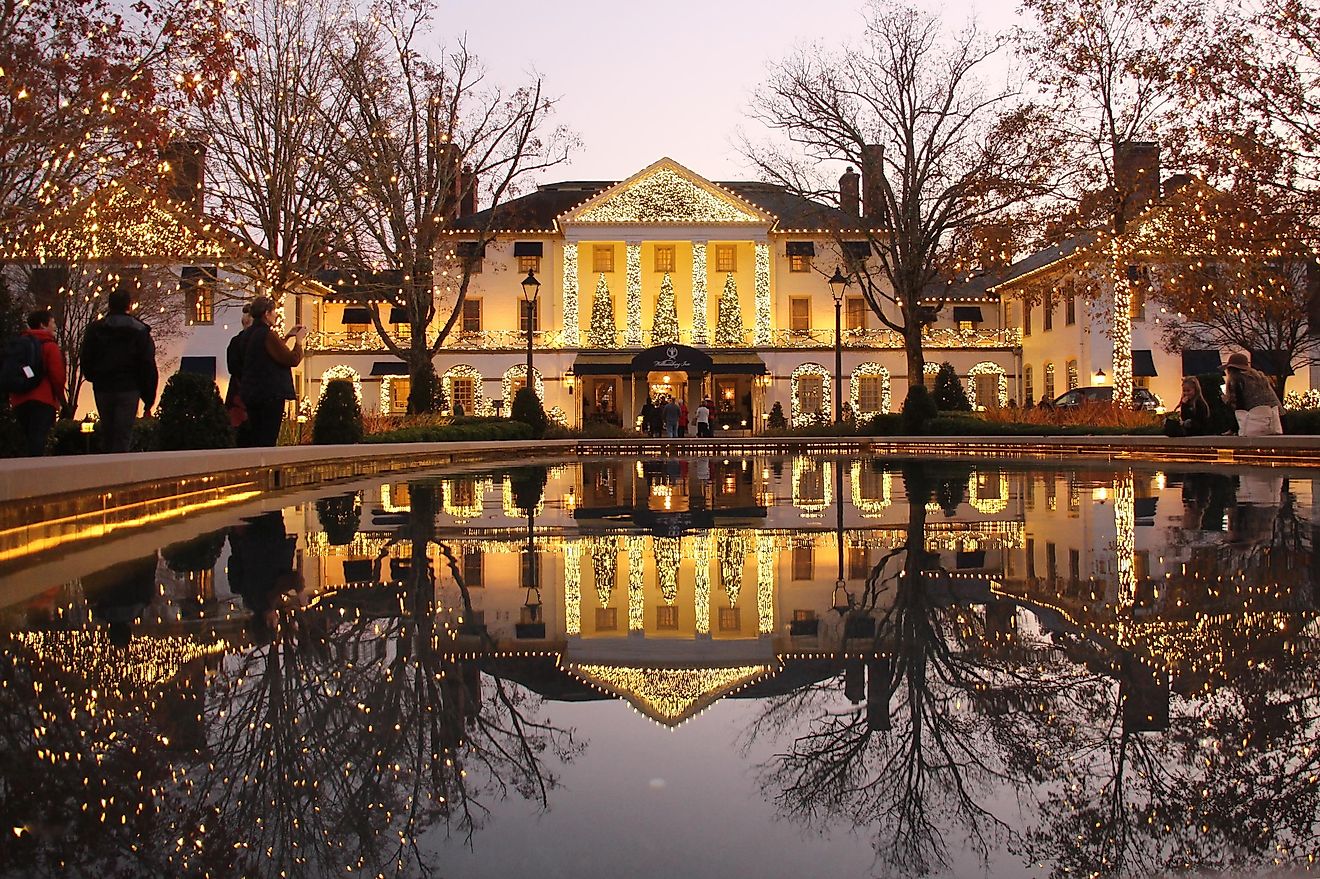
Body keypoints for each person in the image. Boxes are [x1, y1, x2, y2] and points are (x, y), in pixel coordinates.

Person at [80, 288, 158, 453]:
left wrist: (93, 376)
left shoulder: (95, 329)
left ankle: (108, 467)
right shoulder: (140, 330)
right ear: (129, 305)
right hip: (129, 386)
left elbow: (86, 356)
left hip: (103, 385)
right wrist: (148, 397)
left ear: (109, 305)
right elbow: (147, 364)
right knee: (123, 433)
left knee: (108, 431)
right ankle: (119, 468)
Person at [239, 296, 305, 447]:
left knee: (256, 435)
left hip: (251, 393)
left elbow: (268, 352)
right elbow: (291, 359)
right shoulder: (267, 334)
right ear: (266, 314)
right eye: (274, 311)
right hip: (270, 394)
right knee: (268, 438)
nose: (276, 314)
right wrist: (299, 342)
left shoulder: (248, 335)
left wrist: (287, 336)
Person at [8, 309, 66, 456]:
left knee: (27, 438)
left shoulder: (19, 343)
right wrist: (61, 399)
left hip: (19, 399)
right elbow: (57, 375)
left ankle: (25, 472)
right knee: (38, 439)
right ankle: (36, 474)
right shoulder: (49, 345)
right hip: (43, 399)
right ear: (42, 325)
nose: (55, 326)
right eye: (52, 322)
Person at [1222, 351, 1282, 437]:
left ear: (1230, 369)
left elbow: (1240, 406)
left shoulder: (1237, 380)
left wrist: (1227, 402)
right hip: (1273, 421)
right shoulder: (1260, 377)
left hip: (1253, 423)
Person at [225, 304, 253, 445]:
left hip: (236, 389)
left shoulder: (235, 341)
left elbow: (231, 366)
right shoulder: (253, 342)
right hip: (247, 391)